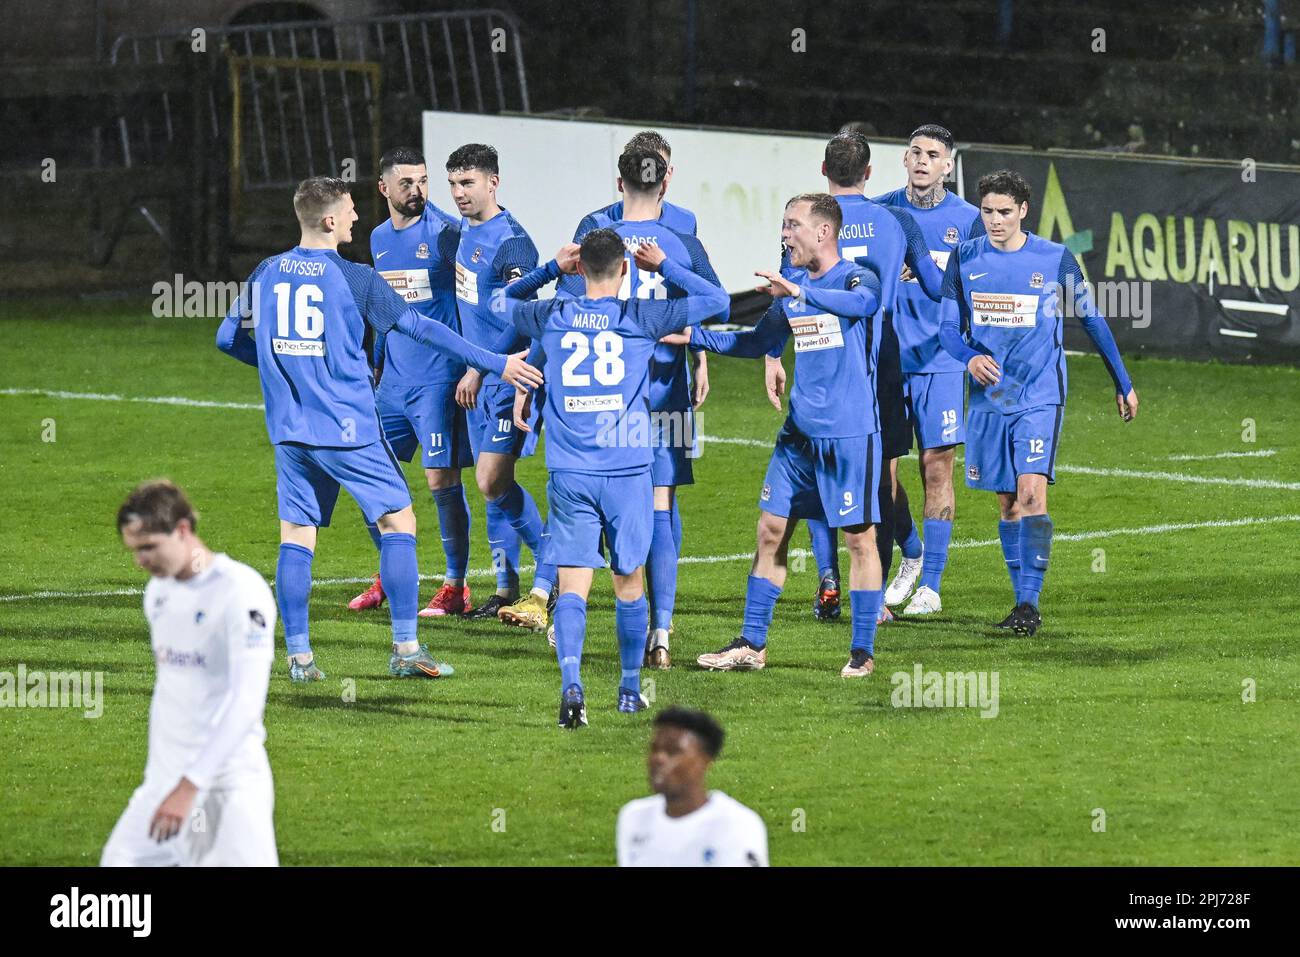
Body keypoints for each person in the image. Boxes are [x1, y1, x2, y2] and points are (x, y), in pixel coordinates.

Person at [216, 175, 541, 680]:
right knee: (399, 524)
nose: (356, 218)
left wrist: (285, 372)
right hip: (348, 429)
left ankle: (300, 657)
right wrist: (496, 362)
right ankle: (407, 649)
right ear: (328, 220)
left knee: (297, 538)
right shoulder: (357, 278)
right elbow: (423, 328)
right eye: (348, 211)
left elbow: (226, 338)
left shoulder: (265, 271)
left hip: (289, 433)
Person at [504, 227, 728, 727]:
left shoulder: (552, 315)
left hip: (571, 473)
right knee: (629, 584)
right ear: (625, 270)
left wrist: (548, 271)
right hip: (627, 472)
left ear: (579, 268)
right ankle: (629, 689)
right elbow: (716, 300)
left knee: (573, 584)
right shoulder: (640, 316)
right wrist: (664, 265)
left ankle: (572, 687)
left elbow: (500, 301)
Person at [681, 193, 887, 677]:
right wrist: (695, 337)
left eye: (793, 225)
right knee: (770, 530)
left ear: (823, 232)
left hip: (848, 435)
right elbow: (759, 342)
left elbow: (864, 304)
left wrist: (799, 294)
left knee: (859, 541)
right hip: (798, 435)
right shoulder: (791, 285)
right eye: (783, 224)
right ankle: (752, 643)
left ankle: (862, 651)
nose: (785, 234)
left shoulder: (857, 278)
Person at [938, 169, 1138, 635]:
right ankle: (1018, 600)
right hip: (989, 397)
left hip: (1038, 394)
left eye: (1004, 212)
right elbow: (948, 329)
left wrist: (1122, 381)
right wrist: (969, 358)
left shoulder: (1055, 259)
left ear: (1023, 211)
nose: (994, 220)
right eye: (987, 211)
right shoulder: (963, 259)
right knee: (1007, 502)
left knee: (1031, 492)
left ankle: (1029, 604)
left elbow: (1092, 320)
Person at [761, 131, 943, 627]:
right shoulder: (897, 218)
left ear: (824, 170)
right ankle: (876, 594)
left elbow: (784, 294)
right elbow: (933, 283)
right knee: (877, 477)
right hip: (875, 353)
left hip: (817, 347)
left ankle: (829, 579)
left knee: (817, 465)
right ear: (869, 173)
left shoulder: (807, 220)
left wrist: (773, 356)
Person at [561, 146, 725, 670]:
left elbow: (568, 311)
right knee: (659, 505)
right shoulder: (679, 240)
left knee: (592, 505)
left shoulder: (597, 239)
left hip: (603, 400)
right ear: (665, 183)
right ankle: (661, 631)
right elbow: (716, 299)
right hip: (664, 393)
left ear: (619, 182)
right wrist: (695, 346)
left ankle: (567, 607)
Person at [103, 480, 278, 866]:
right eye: (134, 550)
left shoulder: (241, 593)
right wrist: (169, 781)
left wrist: (191, 786)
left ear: (182, 530)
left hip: (225, 789)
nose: (141, 561)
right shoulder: (158, 593)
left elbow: (246, 701)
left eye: (148, 547)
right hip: (163, 784)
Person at [346, 146, 477, 618]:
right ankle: (390, 572)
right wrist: (376, 362)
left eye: (422, 180)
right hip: (393, 383)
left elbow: (471, 303)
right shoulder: (379, 237)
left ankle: (455, 586)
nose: (417, 190)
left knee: (441, 480)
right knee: (368, 473)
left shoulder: (447, 234)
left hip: (439, 380)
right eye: (406, 182)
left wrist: (473, 365)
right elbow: (386, 310)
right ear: (383, 188)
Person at [445, 143, 558, 629]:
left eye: (467, 183)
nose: (458, 193)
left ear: (493, 182)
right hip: (478, 378)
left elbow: (523, 316)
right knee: (489, 487)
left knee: (493, 479)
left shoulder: (512, 243)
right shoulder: (465, 233)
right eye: (453, 184)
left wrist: (479, 366)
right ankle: (505, 589)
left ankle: (554, 571)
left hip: (507, 377)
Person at [875, 124, 985, 616]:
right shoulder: (880, 213)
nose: (922, 160)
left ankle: (932, 585)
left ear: (948, 165)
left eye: (933, 154)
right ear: (905, 160)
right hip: (888, 358)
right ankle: (911, 552)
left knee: (935, 467)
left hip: (940, 361)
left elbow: (982, 288)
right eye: (915, 152)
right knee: (881, 471)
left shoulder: (968, 221)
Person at [616, 707, 768, 867]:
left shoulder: (736, 826)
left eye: (673, 751)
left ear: (705, 760)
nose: (658, 758)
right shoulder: (633, 818)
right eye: (655, 749)